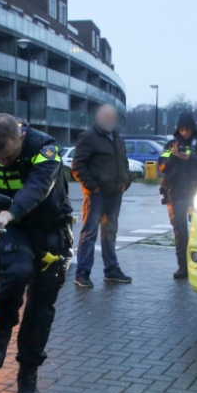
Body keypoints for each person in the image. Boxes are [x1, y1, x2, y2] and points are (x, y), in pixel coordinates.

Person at [0, 113, 74, 393]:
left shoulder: (44, 148)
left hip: (49, 229)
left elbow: (38, 188)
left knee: (41, 308)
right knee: (17, 272)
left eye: (8, 156)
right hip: (14, 228)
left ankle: (27, 375)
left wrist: (9, 212)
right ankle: (1, 332)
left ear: (20, 136)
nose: (3, 162)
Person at [71, 104, 132, 288]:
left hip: (115, 193)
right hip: (96, 195)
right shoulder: (89, 137)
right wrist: (92, 187)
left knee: (110, 233)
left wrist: (125, 181)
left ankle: (111, 270)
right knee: (90, 233)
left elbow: (124, 162)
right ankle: (82, 273)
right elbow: (77, 165)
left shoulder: (118, 138)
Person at [158, 112, 197, 279]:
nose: (185, 133)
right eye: (182, 130)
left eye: (188, 130)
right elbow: (161, 166)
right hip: (174, 192)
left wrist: (191, 157)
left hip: (196, 192)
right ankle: (183, 267)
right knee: (180, 230)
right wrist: (173, 157)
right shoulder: (171, 145)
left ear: (193, 129)